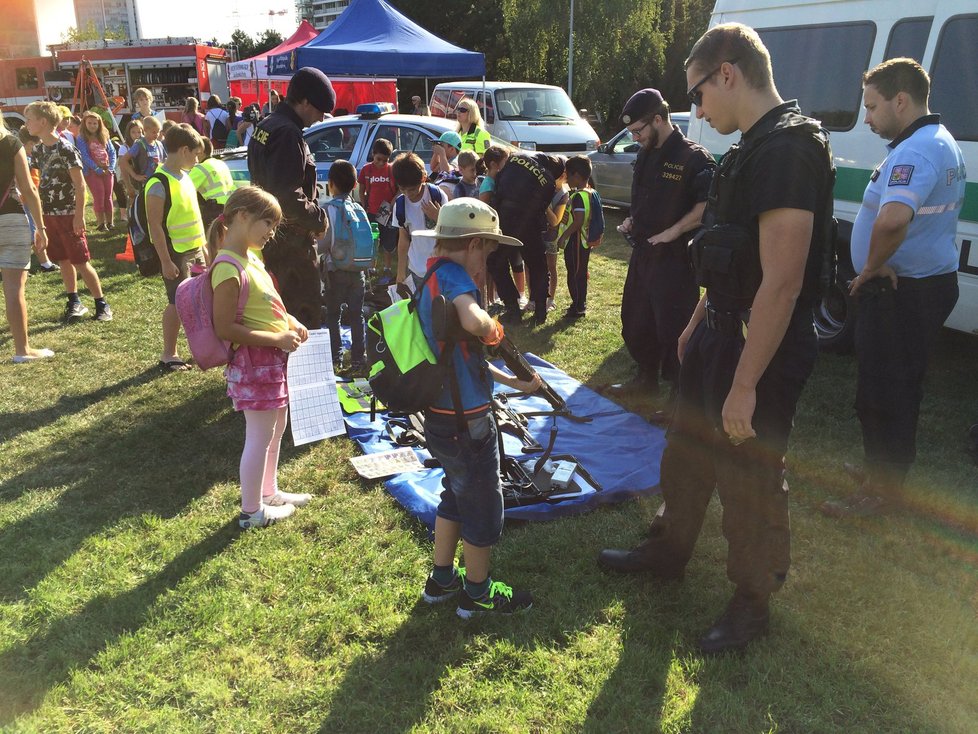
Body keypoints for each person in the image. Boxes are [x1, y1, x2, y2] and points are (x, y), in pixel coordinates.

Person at [597, 23, 835, 655]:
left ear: (727, 73)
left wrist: (745, 385)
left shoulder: (787, 151)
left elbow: (781, 285)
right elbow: (732, 257)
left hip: (761, 345)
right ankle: (669, 551)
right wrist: (699, 322)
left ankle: (752, 602)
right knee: (687, 448)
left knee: (750, 473)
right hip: (721, 332)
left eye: (697, 94)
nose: (696, 110)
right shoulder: (748, 149)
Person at [820, 58, 965, 518]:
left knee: (885, 391)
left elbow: (894, 218)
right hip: (923, 285)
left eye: (871, 106)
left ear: (900, 100)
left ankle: (882, 495)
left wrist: (869, 268)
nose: (866, 117)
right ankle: (881, 473)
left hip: (904, 292)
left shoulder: (916, 151)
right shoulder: (939, 141)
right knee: (895, 386)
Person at [414, 197, 541, 617]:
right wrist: (493, 327)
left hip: (439, 413)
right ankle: (478, 591)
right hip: (467, 423)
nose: (487, 257)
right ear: (472, 244)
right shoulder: (456, 280)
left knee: (455, 491)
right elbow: (473, 324)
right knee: (484, 504)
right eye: (487, 248)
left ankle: (442, 578)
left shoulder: (430, 276)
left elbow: (458, 353)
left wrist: (512, 380)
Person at [208, 186, 313, 529]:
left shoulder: (251, 258)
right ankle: (251, 511)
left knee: (276, 427)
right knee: (259, 434)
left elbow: (266, 302)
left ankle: (269, 492)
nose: (271, 232)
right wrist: (277, 337)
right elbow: (225, 327)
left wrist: (291, 322)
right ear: (241, 217)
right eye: (267, 222)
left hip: (271, 361)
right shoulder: (227, 266)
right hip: (255, 363)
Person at [610, 88, 716, 403]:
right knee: (636, 319)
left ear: (658, 119)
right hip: (644, 253)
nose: (635, 137)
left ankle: (678, 397)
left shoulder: (693, 157)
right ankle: (645, 378)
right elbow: (643, 199)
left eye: (638, 131)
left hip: (674, 260)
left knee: (674, 326)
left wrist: (674, 231)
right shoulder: (645, 154)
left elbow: (706, 205)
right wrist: (632, 220)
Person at [248, 67, 335, 329]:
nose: (321, 119)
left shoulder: (265, 126)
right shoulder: (288, 133)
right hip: (292, 247)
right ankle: (303, 371)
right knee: (303, 318)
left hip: (271, 237)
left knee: (279, 316)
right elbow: (288, 196)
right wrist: (319, 220)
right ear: (304, 102)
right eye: (320, 111)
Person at [25, 100, 113, 323]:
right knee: (63, 260)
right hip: (49, 215)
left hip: (68, 214)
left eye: (29, 119)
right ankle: (74, 301)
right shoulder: (38, 150)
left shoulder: (65, 148)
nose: (26, 124)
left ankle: (101, 303)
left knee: (81, 261)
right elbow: (35, 179)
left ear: (43, 122)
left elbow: (80, 184)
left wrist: (79, 216)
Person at [145, 123, 207, 372]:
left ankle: (199, 348)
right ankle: (169, 354)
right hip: (176, 254)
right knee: (176, 302)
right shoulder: (158, 183)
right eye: (194, 154)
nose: (196, 159)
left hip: (196, 251)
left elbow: (195, 217)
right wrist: (165, 261)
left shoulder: (185, 177)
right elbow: (155, 225)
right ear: (183, 150)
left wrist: (205, 249)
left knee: (197, 299)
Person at [0, 111, 55, 362]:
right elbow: (29, 188)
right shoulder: (11, 143)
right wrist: (41, 228)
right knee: (14, 288)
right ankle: (22, 350)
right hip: (10, 218)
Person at [488, 152, 564, 326]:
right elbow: (541, 209)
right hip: (528, 223)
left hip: (503, 218)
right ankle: (540, 311)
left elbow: (499, 183)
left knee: (496, 262)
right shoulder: (549, 181)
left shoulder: (516, 157)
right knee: (538, 266)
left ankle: (513, 308)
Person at [319, 160, 367, 374]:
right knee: (357, 315)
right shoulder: (359, 209)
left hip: (335, 271)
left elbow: (324, 243)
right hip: (358, 271)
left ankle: (336, 357)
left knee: (333, 315)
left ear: (330, 184)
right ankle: (359, 358)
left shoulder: (327, 209)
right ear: (355, 184)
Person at [392, 152, 447, 291]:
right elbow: (404, 239)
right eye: (402, 189)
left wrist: (438, 217)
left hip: (440, 267)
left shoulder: (437, 196)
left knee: (440, 309)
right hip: (416, 269)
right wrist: (400, 271)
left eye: (412, 189)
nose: (408, 194)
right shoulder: (400, 205)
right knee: (420, 309)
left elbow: (453, 232)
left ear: (423, 178)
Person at [555, 155, 596, 319]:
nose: (566, 178)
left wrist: (563, 236)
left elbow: (578, 221)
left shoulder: (579, 196)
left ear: (577, 176)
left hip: (577, 241)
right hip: (582, 242)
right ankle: (578, 303)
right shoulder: (589, 192)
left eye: (568, 175)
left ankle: (578, 306)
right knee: (579, 272)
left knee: (575, 274)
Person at [17, 124, 58, 273]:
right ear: (29, 144)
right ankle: (40, 264)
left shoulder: (30, 158)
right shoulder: (24, 159)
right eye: (37, 145)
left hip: (32, 200)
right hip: (25, 202)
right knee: (32, 232)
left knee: (34, 232)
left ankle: (44, 262)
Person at [357, 137, 398, 275]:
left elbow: (399, 190)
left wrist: (392, 204)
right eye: (378, 159)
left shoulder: (392, 170)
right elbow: (361, 189)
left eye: (385, 160)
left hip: (387, 212)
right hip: (372, 211)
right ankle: (371, 267)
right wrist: (364, 205)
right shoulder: (366, 169)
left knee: (388, 240)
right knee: (373, 240)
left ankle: (387, 267)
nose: (381, 163)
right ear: (373, 154)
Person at [77, 111, 117, 231]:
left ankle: (110, 222)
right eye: (90, 123)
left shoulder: (104, 136)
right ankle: (101, 223)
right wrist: (96, 168)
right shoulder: (82, 138)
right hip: (92, 172)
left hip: (107, 170)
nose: (93, 126)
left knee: (108, 196)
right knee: (99, 196)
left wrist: (111, 167)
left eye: (95, 123)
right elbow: (84, 155)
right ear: (85, 124)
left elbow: (112, 152)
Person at [190, 137, 236, 228]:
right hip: (231, 205)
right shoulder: (221, 163)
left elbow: (184, 187)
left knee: (212, 238)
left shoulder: (202, 167)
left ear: (201, 151)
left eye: (195, 152)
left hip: (215, 210)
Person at [542, 164, 569, 313]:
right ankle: (533, 297)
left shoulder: (563, 194)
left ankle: (550, 299)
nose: (563, 176)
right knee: (532, 265)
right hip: (538, 232)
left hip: (552, 235)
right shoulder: (545, 188)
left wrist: (544, 205)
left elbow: (555, 221)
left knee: (551, 266)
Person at [123, 116, 165, 188]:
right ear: (145, 130)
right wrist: (135, 176)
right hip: (146, 183)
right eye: (154, 132)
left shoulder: (159, 144)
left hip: (159, 181)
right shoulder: (139, 144)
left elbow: (165, 159)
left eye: (158, 131)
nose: (157, 134)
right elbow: (123, 160)